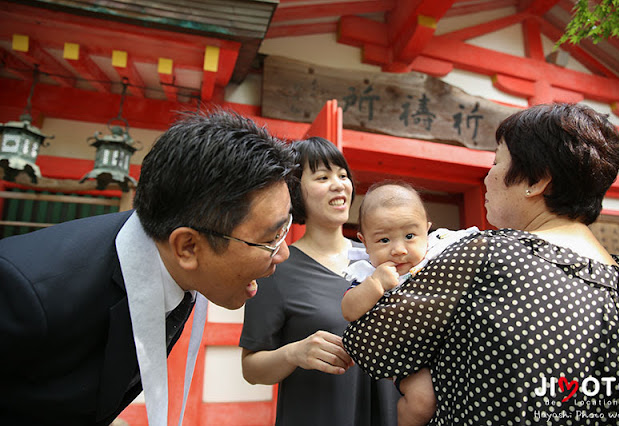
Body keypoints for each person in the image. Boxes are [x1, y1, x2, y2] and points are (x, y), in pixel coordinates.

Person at [343, 103, 619, 425]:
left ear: (537, 181)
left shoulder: (489, 255)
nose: (488, 176)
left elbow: (372, 342)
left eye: (497, 162)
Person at [0, 109, 295, 426]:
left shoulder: (173, 266)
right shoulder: (24, 292)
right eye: (270, 238)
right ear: (188, 247)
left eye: (285, 229)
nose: (284, 253)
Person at [240, 136, 400, 425]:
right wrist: (294, 353)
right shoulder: (276, 269)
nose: (339, 184)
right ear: (296, 192)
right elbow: (251, 368)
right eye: (323, 177)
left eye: (343, 175)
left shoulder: (379, 259)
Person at [341, 181, 478, 426]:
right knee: (422, 400)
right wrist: (376, 284)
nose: (399, 249)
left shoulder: (437, 254)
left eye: (410, 236)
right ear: (364, 241)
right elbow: (349, 310)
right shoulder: (367, 273)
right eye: (383, 240)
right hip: (407, 358)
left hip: (448, 347)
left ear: (427, 231)